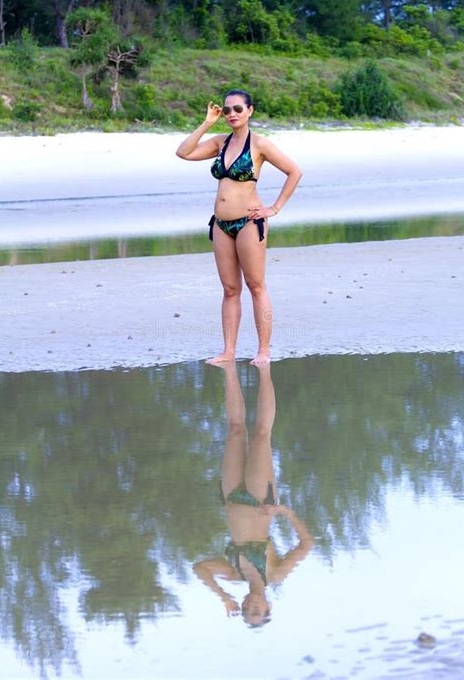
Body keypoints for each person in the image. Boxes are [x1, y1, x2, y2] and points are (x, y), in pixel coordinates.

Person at [176, 90, 302, 364]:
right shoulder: (219, 142)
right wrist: (207, 123)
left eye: (237, 109)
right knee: (230, 290)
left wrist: (274, 208)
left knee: (256, 286)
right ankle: (228, 351)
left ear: (250, 111)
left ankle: (263, 351)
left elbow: (295, 171)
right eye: (227, 110)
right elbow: (183, 152)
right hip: (221, 224)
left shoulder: (259, 145)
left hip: (249, 222)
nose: (232, 114)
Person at [193, 362, 313, 626]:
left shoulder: (235, 574)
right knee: (261, 435)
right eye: (257, 611)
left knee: (235, 431)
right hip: (261, 500)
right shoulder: (276, 574)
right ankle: (265, 368)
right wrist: (285, 512)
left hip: (231, 496)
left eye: (247, 611)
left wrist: (223, 596)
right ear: (268, 606)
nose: (250, 607)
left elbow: (199, 568)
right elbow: (307, 544)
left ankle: (229, 369)